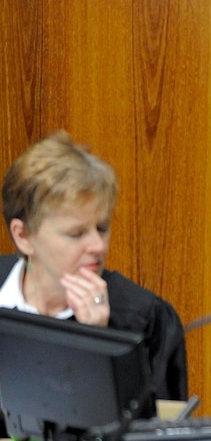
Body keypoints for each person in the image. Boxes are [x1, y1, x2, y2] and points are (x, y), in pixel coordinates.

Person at [0, 131, 187, 405]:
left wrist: (99, 342)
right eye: (76, 234)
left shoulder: (142, 318)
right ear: (23, 236)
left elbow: (157, 440)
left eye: (102, 228)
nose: (98, 246)